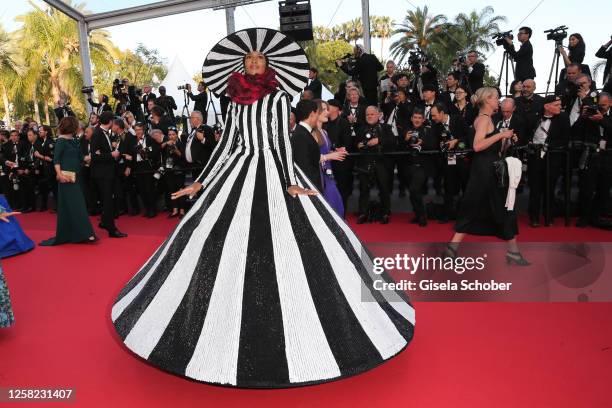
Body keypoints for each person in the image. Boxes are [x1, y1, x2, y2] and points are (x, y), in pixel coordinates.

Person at [111, 27, 414, 389]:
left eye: (259, 59)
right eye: (249, 59)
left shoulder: (278, 100)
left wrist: (288, 178)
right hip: (238, 169)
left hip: (274, 168)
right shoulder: (233, 101)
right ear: (242, 66)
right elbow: (228, 147)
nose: (254, 63)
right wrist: (201, 182)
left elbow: (281, 143)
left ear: (267, 66)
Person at [448, 87, 528, 265]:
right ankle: (513, 254)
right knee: (502, 209)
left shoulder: (486, 119)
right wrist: (501, 134)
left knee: (479, 209)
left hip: (485, 170)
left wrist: (506, 141)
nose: (498, 101)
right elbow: (477, 146)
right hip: (486, 172)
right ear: (487, 100)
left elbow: (491, 148)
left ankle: (451, 250)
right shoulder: (484, 120)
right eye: (496, 98)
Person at [40, 117, 97, 245]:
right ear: (71, 126)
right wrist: (59, 174)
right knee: (78, 205)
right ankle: (87, 234)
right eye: (76, 124)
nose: (78, 126)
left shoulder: (73, 140)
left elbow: (80, 157)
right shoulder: (60, 141)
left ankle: (75, 233)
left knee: (72, 206)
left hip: (77, 177)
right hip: (66, 178)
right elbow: (56, 160)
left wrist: (90, 157)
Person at [525, 95, 570, 227]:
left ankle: (548, 216)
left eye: (560, 105)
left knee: (549, 188)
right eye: (556, 105)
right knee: (535, 188)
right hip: (535, 157)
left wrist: (548, 145)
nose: (560, 107)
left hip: (552, 157)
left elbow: (566, 139)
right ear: (547, 106)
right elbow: (527, 133)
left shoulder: (563, 118)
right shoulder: (534, 117)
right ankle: (534, 217)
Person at [356, 106, 396, 224]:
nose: (369, 116)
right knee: (363, 190)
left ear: (379, 115)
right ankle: (363, 213)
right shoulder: (361, 129)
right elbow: (354, 143)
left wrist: (379, 140)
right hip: (365, 163)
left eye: (372, 114)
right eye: (367, 114)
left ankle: (385, 213)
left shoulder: (386, 128)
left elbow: (393, 141)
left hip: (381, 164)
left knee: (384, 189)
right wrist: (358, 145)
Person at [90, 111, 127, 238]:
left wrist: (109, 151)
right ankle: (111, 229)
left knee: (111, 198)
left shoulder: (105, 133)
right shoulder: (97, 134)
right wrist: (111, 154)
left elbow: (101, 153)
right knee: (107, 201)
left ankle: (105, 222)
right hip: (102, 174)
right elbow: (94, 156)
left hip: (109, 172)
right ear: (110, 121)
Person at [313, 99, 348, 216]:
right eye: (323, 109)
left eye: (327, 109)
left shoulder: (324, 132)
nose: (327, 112)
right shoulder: (312, 133)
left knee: (337, 206)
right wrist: (330, 155)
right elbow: (310, 157)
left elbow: (325, 152)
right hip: (320, 176)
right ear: (315, 112)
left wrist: (336, 152)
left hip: (329, 175)